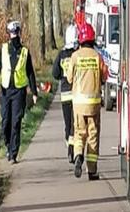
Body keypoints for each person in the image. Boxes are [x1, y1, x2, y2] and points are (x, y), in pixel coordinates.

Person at [0, 20, 38, 164]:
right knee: (6, 122)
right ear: (9, 34)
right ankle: (8, 145)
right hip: (5, 90)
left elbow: (30, 72)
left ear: (19, 33)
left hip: (19, 91)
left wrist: (34, 92)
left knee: (16, 122)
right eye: (12, 33)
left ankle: (13, 153)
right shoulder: (4, 49)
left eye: (15, 33)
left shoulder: (24, 52)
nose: (14, 36)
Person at [66, 22, 108, 180]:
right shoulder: (98, 57)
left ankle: (78, 156)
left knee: (79, 134)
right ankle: (92, 171)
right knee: (93, 135)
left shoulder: (75, 56)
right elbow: (105, 77)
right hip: (94, 105)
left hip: (78, 104)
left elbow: (69, 78)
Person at [52, 22, 79, 163]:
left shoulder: (61, 55)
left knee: (67, 124)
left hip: (65, 95)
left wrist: (63, 77)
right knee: (76, 124)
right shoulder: (78, 54)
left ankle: (69, 147)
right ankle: (73, 149)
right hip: (77, 94)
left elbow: (55, 73)